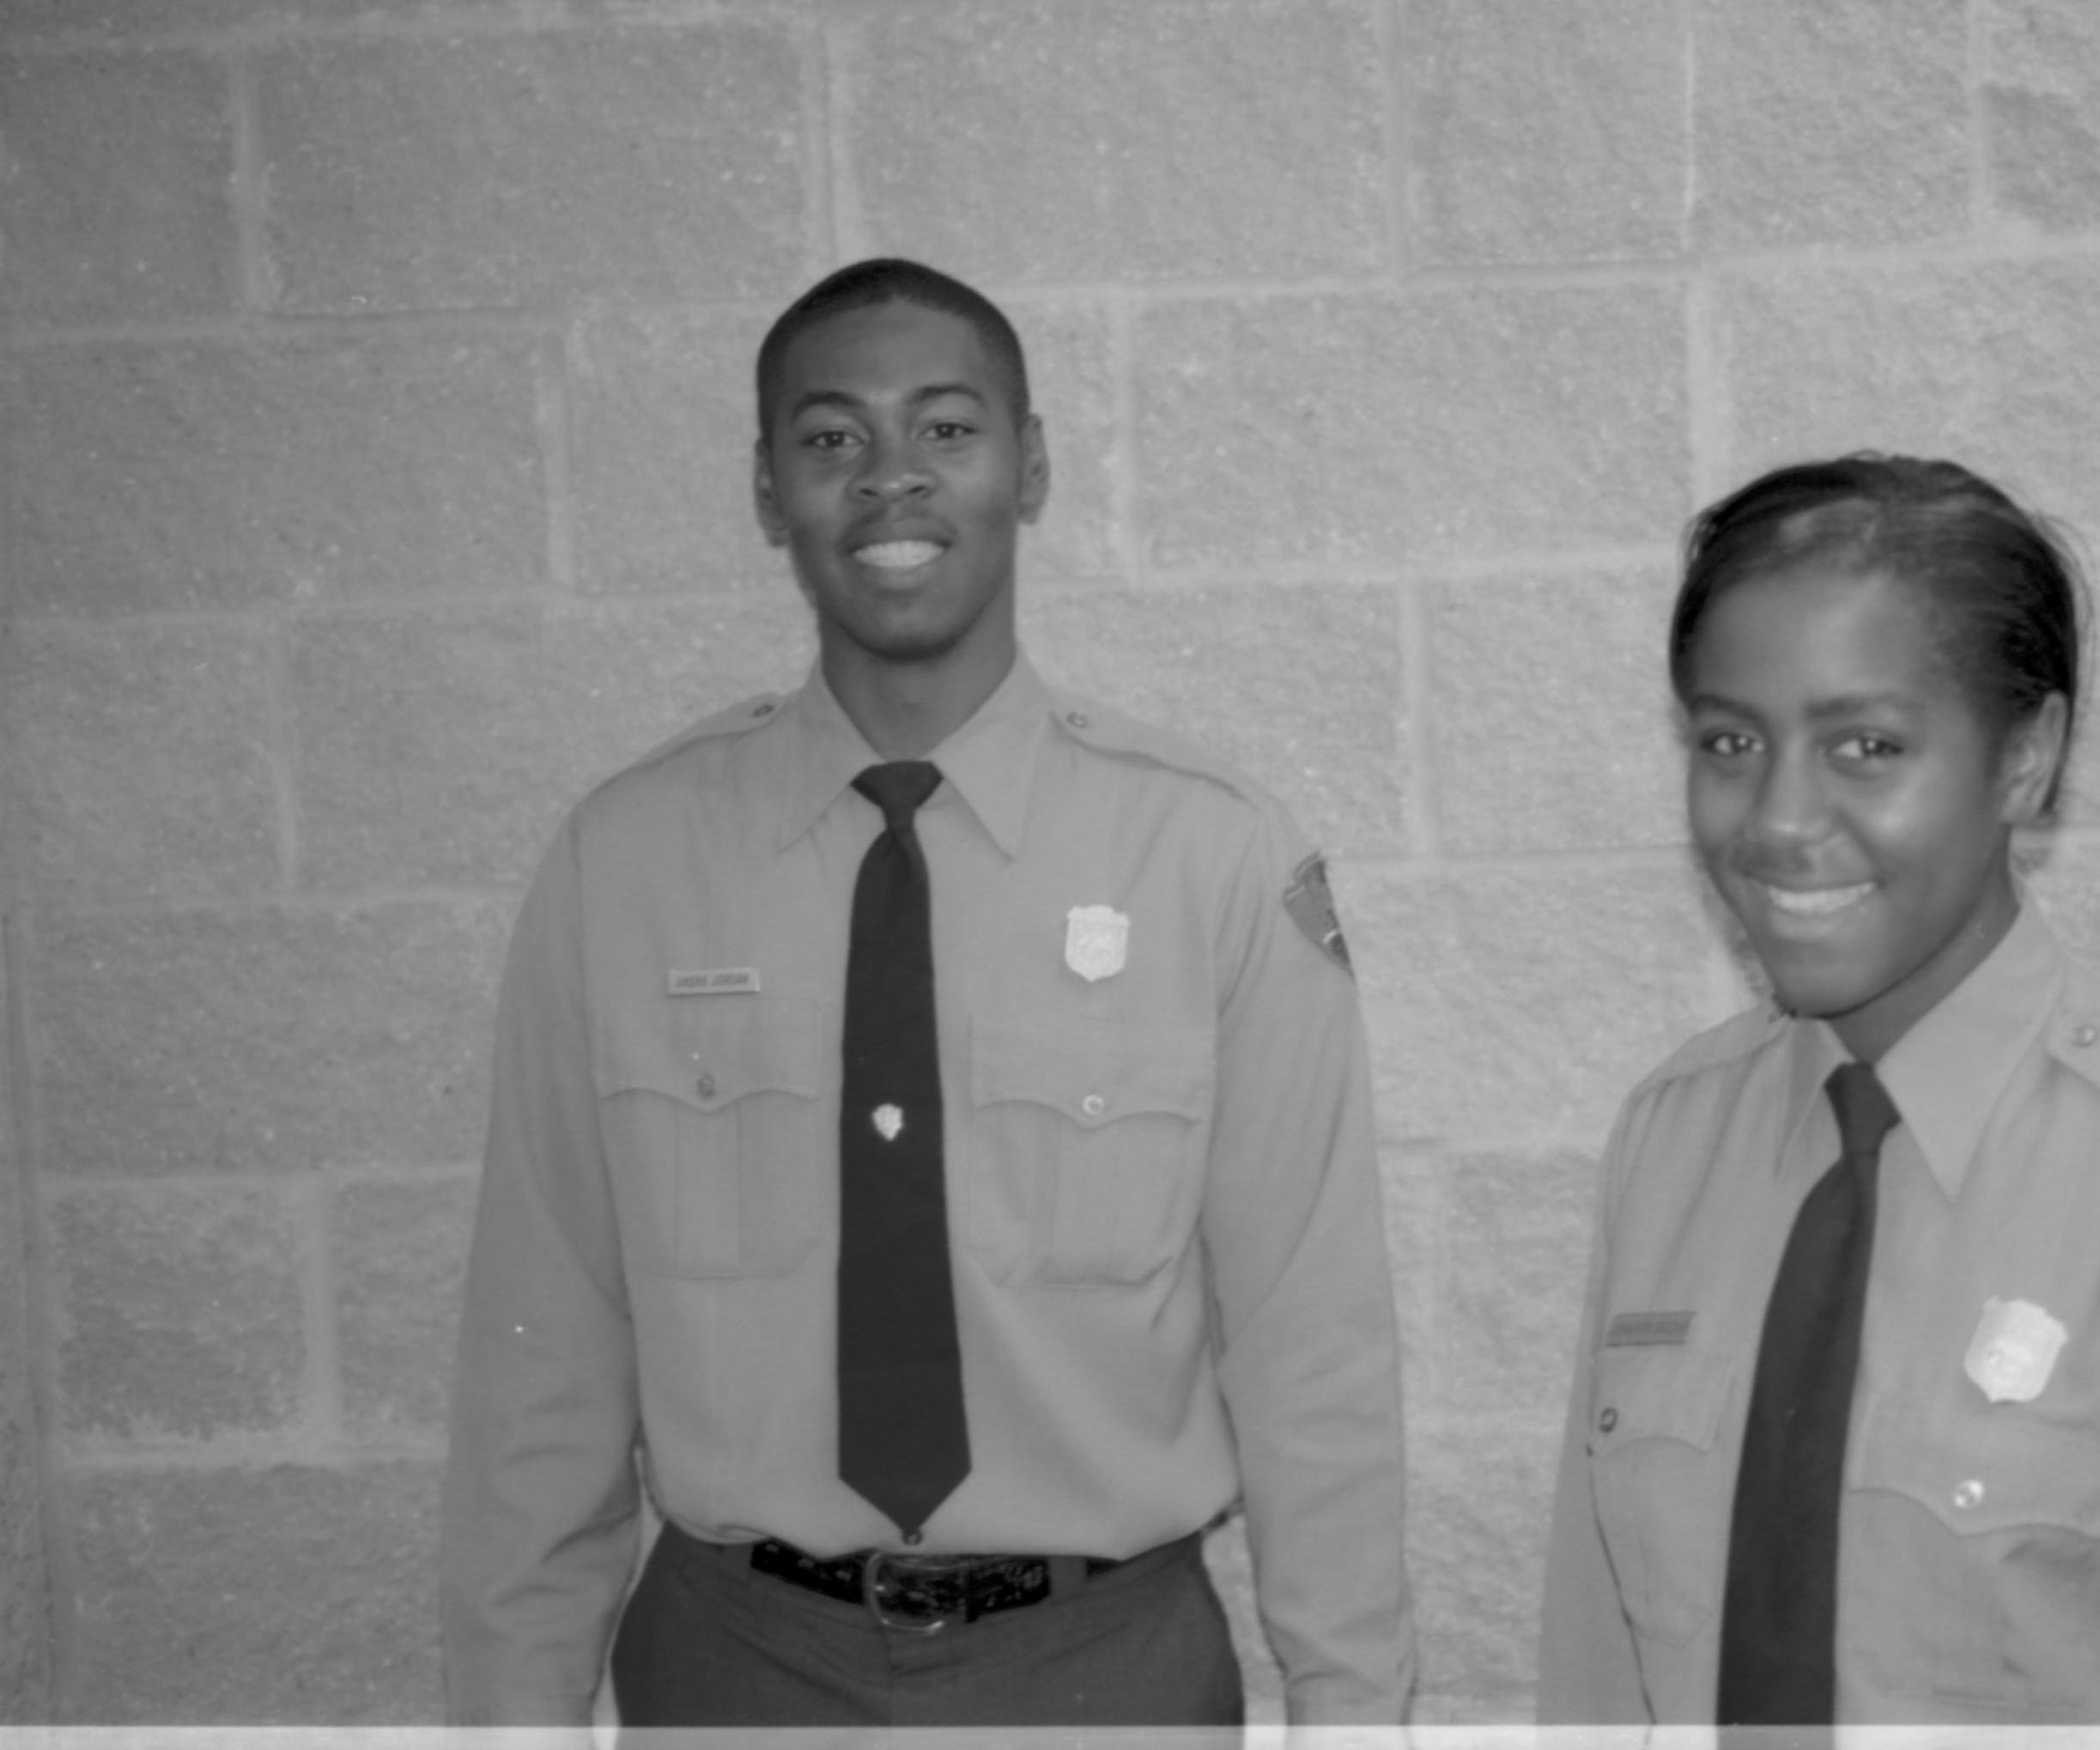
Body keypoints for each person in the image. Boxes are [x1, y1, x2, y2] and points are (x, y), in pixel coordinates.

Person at [442, 257, 1412, 1735]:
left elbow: (1310, 1343)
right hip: (736, 1669)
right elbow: (545, 1358)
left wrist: (1356, 1712)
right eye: (832, 440)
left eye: (947, 429)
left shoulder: (1210, 853)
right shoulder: (623, 865)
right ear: (770, 491)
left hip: (1108, 1672)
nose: (891, 479)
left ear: (1031, 465)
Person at [1538, 454, 2100, 1728]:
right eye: (1731, 741)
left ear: (2026, 759)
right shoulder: (1672, 1142)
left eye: (1868, 746)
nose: (1781, 819)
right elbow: (1598, 1674)